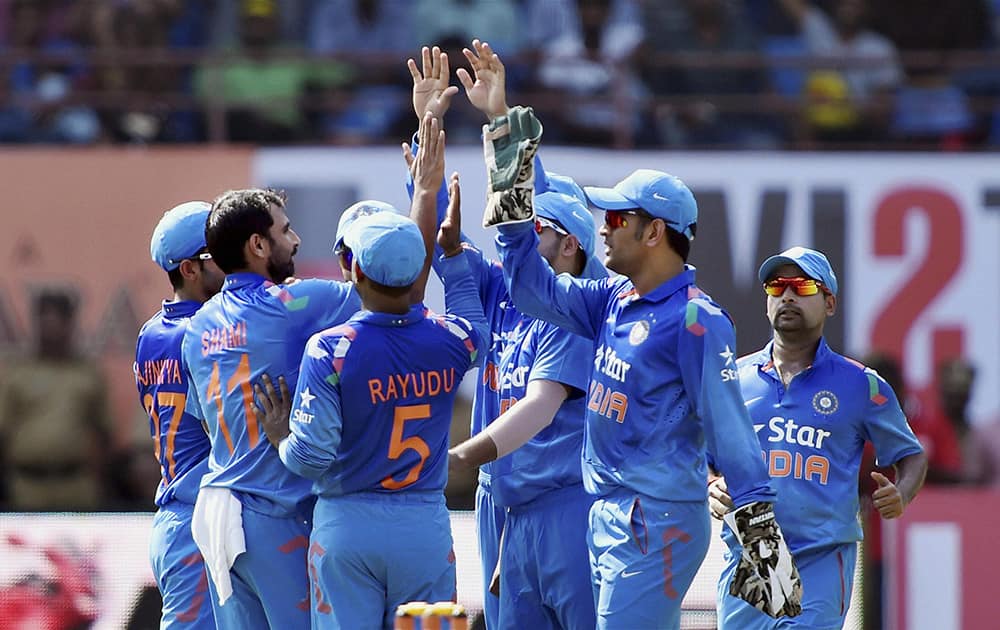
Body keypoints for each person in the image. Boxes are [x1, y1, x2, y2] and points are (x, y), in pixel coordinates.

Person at [472, 39, 799, 628]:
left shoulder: (697, 320)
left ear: (655, 234)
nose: (604, 227)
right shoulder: (612, 298)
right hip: (607, 515)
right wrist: (503, 132)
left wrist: (762, 542)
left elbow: (731, 435)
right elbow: (529, 285)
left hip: (657, 522)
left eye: (618, 218)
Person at [257, 116, 490, 629]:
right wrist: (451, 259)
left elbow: (310, 457)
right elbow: (476, 329)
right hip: (425, 524)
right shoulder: (450, 342)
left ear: (353, 270)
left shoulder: (331, 349)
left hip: (348, 525)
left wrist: (279, 437)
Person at [708, 246, 928, 629]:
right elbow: (701, 454)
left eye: (803, 286)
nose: (788, 295)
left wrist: (902, 493)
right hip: (753, 550)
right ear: (766, 302)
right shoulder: (733, 378)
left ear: (829, 303)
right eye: (777, 287)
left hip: (820, 555)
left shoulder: (861, 385)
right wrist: (712, 483)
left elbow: (911, 455)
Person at [181, 187, 361, 628]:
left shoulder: (197, 326)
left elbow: (205, 419)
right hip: (276, 514)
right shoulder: (294, 305)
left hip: (216, 511)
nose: (296, 240)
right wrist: (425, 193)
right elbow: (393, 282)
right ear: (258, 245)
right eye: (285, 230)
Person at [135, 201, 225, 629]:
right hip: (198, 522)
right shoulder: (209, 332)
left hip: (179, 513)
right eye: (219, 253)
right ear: (190, 268)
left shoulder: (151, 331)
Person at [0, 288, 112, 511]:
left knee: (78, 545)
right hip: (26, 485)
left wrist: (102, 480)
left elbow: (104, 432)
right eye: (45, 319)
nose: (51, 328)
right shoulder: (17, 374)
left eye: (58, 320)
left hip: (77, 484)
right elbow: (4, 432)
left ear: (69, 324)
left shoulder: (88, 374)